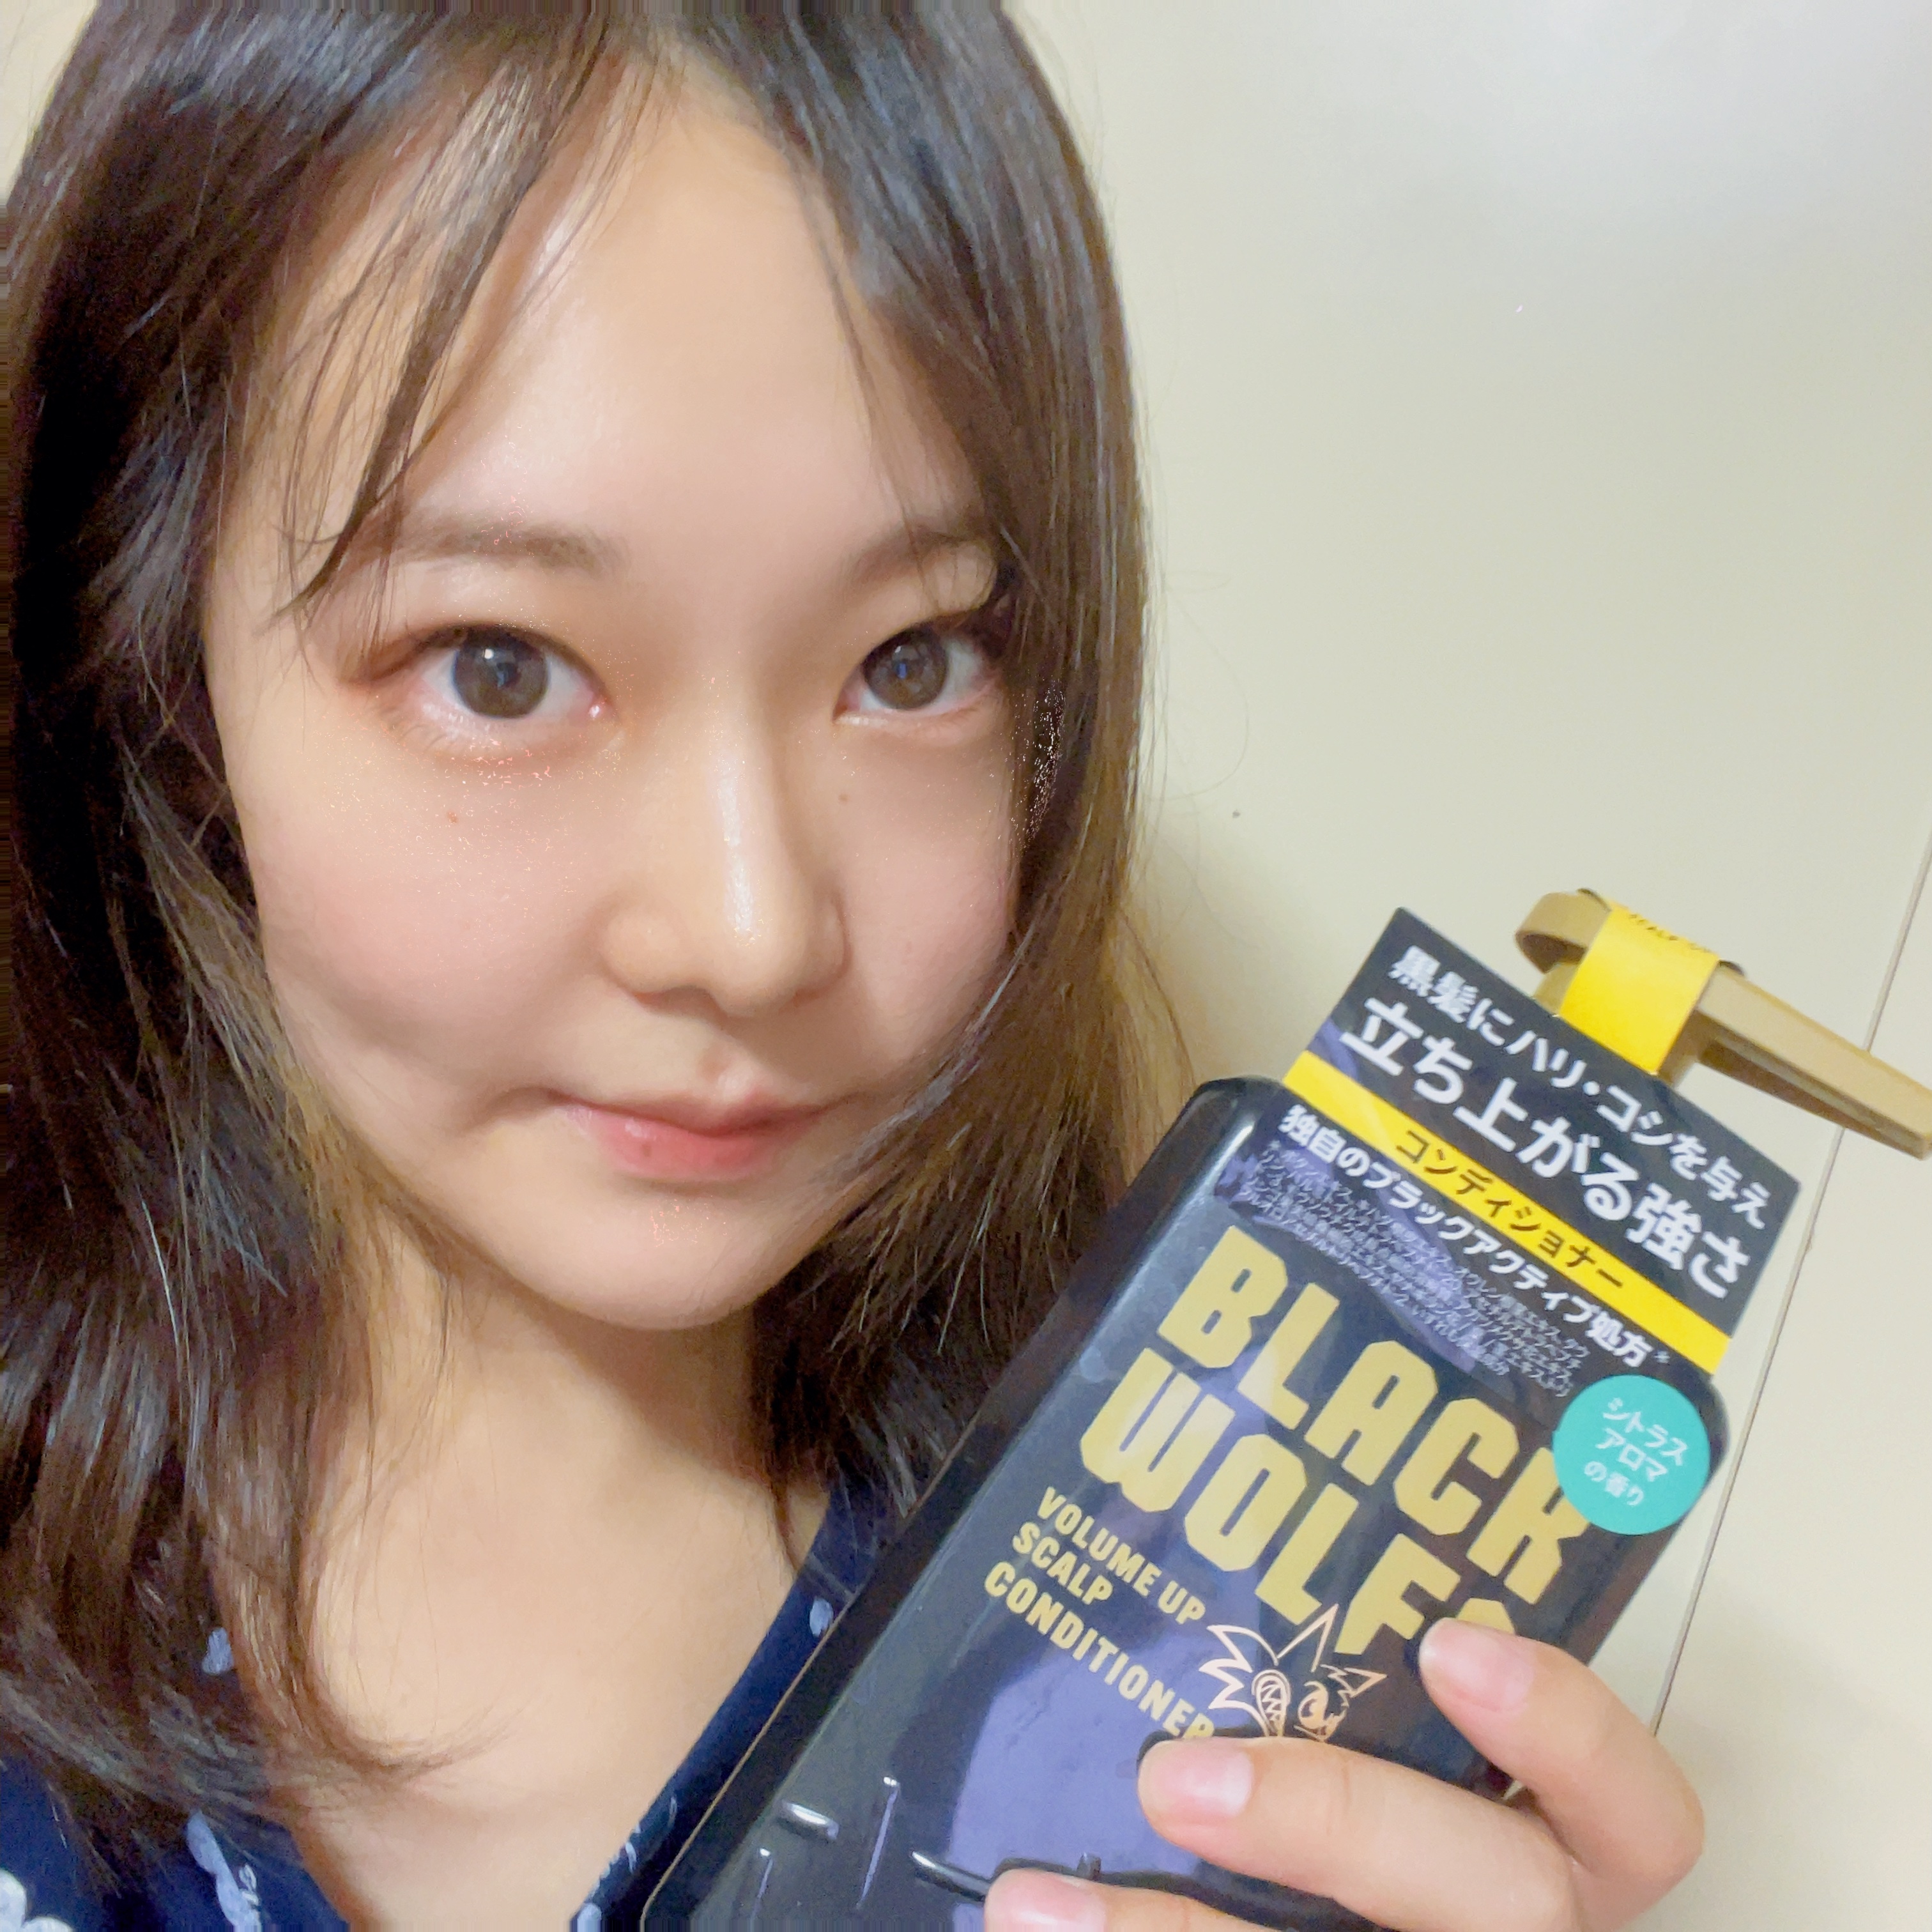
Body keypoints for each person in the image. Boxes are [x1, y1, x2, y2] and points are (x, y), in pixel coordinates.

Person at [1, 8, 1703, 1928]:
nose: (754, 934)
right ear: (157, 681)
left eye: (915, 661)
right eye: (500, 666)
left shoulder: (1169, 1689)